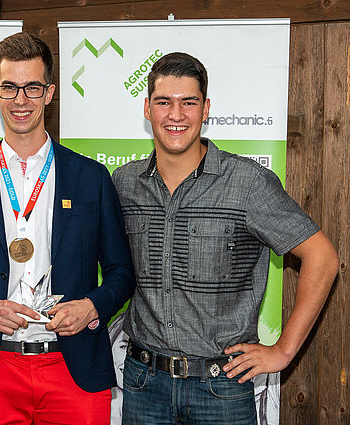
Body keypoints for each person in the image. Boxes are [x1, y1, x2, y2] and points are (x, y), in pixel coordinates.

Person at [0, 32, 135, 425]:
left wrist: (91, 307)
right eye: (10, 87)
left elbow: (122, 273)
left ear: (49, 92)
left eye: (32, 87)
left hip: (73, 367)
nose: (21, 100)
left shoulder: (91, 177)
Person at [111, 52, 338, 424]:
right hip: (142, 384)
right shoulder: (124, 184)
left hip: (221, 389)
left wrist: (283, 351)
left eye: (189, 102)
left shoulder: (247, 183)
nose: (176, 114)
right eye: (164, 102)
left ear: (206, 109)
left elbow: (323, 258)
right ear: (147, 108)